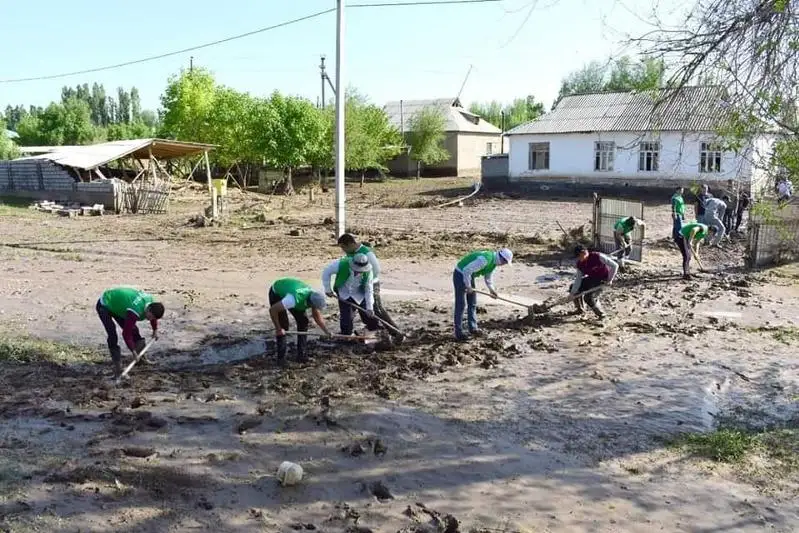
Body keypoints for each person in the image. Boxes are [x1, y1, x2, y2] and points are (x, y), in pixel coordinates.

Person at [336, 233, 403, 343]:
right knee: (351, 308)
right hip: (356, 286)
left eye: (344, 247)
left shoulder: (367, 253)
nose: (344, 251)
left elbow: (376, 270)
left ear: (351, 244)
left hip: (370, 284)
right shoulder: (351, 253)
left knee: (376, 309)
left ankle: (395, 332)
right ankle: (350, 333)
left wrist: (365, 282)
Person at [96, 286, 165, 378]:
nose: (150, 319)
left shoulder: (151, 302)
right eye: (150, 316)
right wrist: (133, 351)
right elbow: (126, 334)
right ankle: (118, 369)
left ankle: (141, 359)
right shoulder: (135, 310)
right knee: (112, 334)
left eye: (153, 318)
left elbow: (153, 317)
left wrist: (155, 330)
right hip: (105, 304)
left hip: (120, 304)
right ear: (148, 309)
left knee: (134, 330)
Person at [453, 248, 513, 341]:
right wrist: (468, 286)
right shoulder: (484, 260)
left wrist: (491, 290)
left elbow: (488, 277)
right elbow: (466, 270)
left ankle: (473, 328)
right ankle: (459, 333)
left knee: (472, 303)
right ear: (502, 258)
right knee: (461, 305)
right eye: (505, 262)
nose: (504, 265)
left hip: (469, 275)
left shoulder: (493, 263)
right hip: (460, 273)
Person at [268, 277, 330, 363]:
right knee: (284, 326)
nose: (315, 308)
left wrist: (326, 331)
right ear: (310, 303)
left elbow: (316, 316)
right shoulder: (293, 300)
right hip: (277, 292)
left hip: (293, 292)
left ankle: (302, 355)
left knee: (303, 322)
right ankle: (281, 358)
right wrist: (278, 328)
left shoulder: (314, 296)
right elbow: (272, 310)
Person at [322, 252, 380, 336]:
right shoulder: (340, 264)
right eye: (356, 270)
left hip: (360, 294)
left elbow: (369, 290)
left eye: (361, 271)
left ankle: (372, 332)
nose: (358, 272)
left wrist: (370, 307)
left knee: (369, 316)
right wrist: (328, 289)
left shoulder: (368, 272)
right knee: (346, 319)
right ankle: (347, 336)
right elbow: (326, 272)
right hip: (343, 293)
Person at [570, 245, 619, 319]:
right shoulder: (580, 264)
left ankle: (602, 315)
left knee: (589, 297)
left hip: (603, 280)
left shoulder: (597, 256)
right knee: (572, 288)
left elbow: (615, 265)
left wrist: (610, 279)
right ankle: (580, 309)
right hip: (592, 278)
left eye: (579, 256)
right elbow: (578, 279)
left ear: (584, 253)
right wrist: (572, 293)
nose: (578, 259)